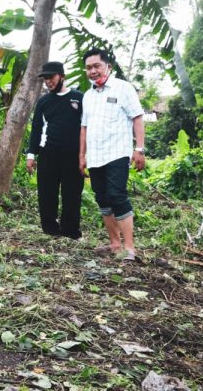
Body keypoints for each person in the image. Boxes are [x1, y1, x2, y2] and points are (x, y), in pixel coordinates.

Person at [79, 49, 145, 262]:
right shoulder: (88, 96)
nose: (93, 71)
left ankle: (130, 248)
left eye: (96, 66)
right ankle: (115, 244)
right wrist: (82, 155)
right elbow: (84, 128)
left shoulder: (123, 88)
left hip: (117, 153)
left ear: (108, 66)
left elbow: (137, 117)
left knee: (117, 196)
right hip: (96, 156)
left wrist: (139, 149)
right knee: (103, 199)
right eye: (89, 67)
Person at [26, 61, 84, 239]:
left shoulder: (79, 98)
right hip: (48, 153)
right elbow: (36, 129)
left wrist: (85, 154)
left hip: (73, 154)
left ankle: (70, 230)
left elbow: (86, 127)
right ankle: (50, 229)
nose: (48, 82)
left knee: (72, 193)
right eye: (45, 79)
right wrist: (31, 155)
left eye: (51, 77)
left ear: (62, 76)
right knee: (46, 192)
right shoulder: (43, 102)